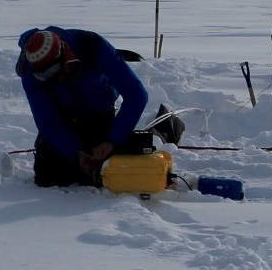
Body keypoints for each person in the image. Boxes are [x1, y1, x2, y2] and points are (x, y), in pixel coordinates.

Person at [17, 26, 164, 187]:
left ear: (64, 55)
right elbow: (47, 121)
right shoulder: (29, 70)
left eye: (57, 71)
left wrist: (112, 140)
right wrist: (75, 153)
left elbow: (136, 94)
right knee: (48, 176)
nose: (57, 80)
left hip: (100, 114)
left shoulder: (92, 46)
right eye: (47, 77)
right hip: (65, 119)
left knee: (110, 170)